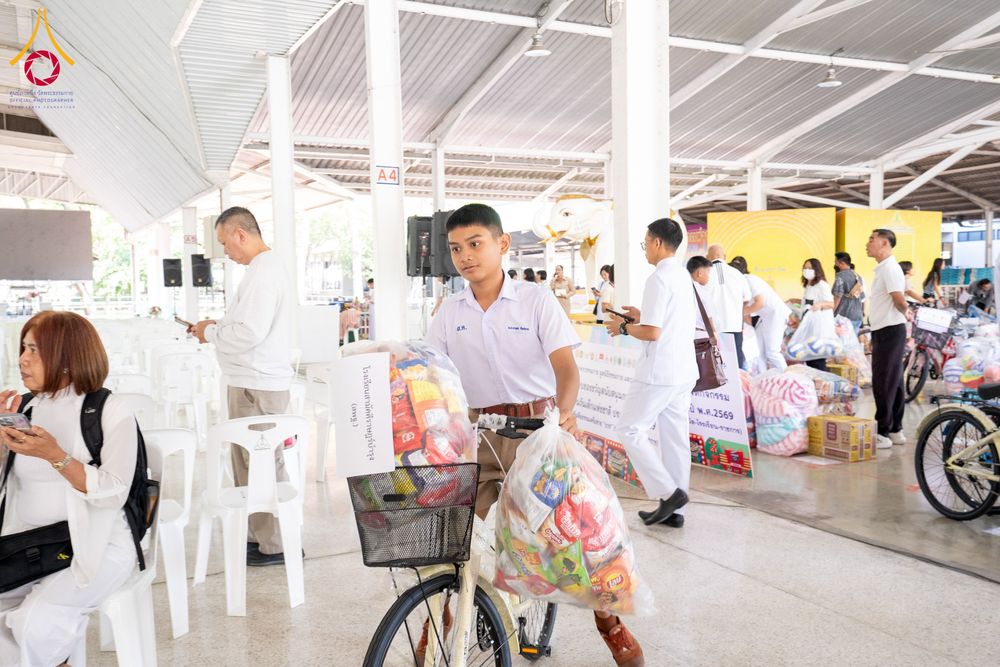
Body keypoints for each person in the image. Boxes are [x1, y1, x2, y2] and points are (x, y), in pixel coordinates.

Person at [425, 203, 643, 666]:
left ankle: (610, 621)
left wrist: (565, 413)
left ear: (502, 245)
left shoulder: (535, 301)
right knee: (456, 540)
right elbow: (433, 374)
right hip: (477, 434)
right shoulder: (448, 312)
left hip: (538, 433)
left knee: (578, 536)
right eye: (456, 249)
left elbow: (566, 367)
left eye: (475, 244)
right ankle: (439, 619)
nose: (465, 256)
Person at [0, 312, 139, 665]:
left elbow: (114, 493)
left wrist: (56, 456)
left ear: (65, 358)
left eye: (35, 350)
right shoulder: (27, 408)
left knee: (34, 624)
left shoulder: (109, 410)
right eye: (24, 348)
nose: (22, 359)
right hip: (32, 543)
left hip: (96, 545)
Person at [190, 206, 294, 566]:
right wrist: (215, 326)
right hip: (249, 379)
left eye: (225, 243)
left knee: (262, 460)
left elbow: (250, 332)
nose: (226, 253)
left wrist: (212, 332)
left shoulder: (264, 272)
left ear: (240, 234)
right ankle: (257, 535)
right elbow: (247, 323)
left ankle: (275, 543)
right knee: (248, 462)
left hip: (259, 383)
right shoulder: (260, 271)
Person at [608, 218, 696, 535]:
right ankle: (676, 508)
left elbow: (654, 332)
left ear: (658, 243)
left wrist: (622, 327)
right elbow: (665, 322)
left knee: (629, 428)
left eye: (646, 243)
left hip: (660, 371)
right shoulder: (683, 276)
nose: (645, 249)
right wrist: (638, 317)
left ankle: (668, 493)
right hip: (684, 371)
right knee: (675, 437)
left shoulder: (658, 278)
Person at [865, 229, 909, 450]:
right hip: (886, 330)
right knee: (895, 381)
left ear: (883, 243)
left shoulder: (890, 267)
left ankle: (882, 431)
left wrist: (907, 313)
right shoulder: (885, 268)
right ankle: (895, 429)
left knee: (883, 381)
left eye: (871, 239)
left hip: (890, 330)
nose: (867, 243)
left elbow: (899, 299)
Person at [730, 256, 791, 371]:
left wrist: (739, 312)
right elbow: (746, 312)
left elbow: (760, 303)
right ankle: (762, 379)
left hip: (776, 314)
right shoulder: (738, 285)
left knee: (772, 352)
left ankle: (788, 378)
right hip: (765, 317)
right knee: (760, 353)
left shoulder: (750, 280)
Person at [706, 244, 752, 369]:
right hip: (734, 326)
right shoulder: (737, 274)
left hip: (713, 328)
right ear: (725, 257)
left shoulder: (705, 274)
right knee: (735, 364)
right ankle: (739, 387)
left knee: (716, 365)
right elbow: (747, 299)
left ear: (707, 258)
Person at [798, 258, 835, 371]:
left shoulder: (822, 285)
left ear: (816, 270)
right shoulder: (809, 285)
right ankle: (814, 383)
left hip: (819, 328)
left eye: (810, 268)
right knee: (809, 359)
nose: (806, 270)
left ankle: (820, 383)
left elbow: (831, 304)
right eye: (805, 268)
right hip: (809, 327)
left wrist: (819, 304)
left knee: (817, 360)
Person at [687, 256, 718, 343]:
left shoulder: (681, 288)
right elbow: (709, 318)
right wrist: (714, 333)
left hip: (684, 334)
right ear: (699, 273)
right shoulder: (702, 291)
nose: (709, 276)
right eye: (708, 272)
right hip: (701, 337)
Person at [831, 252, 864, 334]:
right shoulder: (858, 276)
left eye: (836, 262)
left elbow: (837, 299)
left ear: (841, 264)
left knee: (843, 344)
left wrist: (830, 314)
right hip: (857, 317)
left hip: (844, 318)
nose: (835, 264)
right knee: (852, 344)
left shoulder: (840, 277)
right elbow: (862, 298)